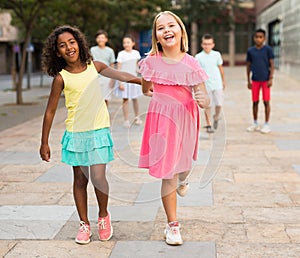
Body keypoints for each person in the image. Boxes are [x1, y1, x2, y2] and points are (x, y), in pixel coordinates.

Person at [39, 25, 141, 245]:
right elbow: (50, 111)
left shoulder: (94, 66)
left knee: (98, 177)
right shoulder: (61, 78)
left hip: (98, 130)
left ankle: (103, 216)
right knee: (79, 179)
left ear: (79, 43)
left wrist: (142, 81)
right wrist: (44, 142)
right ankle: (84, 223)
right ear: (57, 52)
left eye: (71, 42)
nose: (68, 47)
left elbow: (121, 74)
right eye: (62, 46)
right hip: (76, 133)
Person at [138, 11, 209, 246]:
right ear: (156, 36)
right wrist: (161, 99)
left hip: (186, 120)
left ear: (180, 31)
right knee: (168, 172)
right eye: (160, 28)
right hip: (162, 122)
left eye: (171, 25)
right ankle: (172, 226)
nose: (166, 30)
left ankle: (183, 179)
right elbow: (146, 89)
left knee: (184, 167)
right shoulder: (150, 62)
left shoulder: (192, 63)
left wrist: (201, 99)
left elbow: (205, 98)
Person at [195, 33, 226, 133]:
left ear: (213, 45)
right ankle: (209, 124)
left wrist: (223, 80)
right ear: (202, 44)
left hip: (217, 84)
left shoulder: (216, 55)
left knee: (219, 104)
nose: (207, 46)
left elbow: (220, 68)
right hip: (205, 85)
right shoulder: (198, 57)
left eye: (209, 44)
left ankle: (216, 117)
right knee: (208, 106)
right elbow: (197, 72)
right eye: (205, 44)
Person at [246, 28, 274, 134]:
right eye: (257, 37)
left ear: (264, 38)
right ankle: (255, 122)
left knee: (266, 101)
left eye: (261, 37)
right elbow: (248, 66)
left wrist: (271, 78)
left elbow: (272, 65)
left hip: (265, 80)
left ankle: (266, 124)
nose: (258, 39)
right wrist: (248, 80)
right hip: (255, 80)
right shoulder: (250, 51)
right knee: (255, 102)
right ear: (254, 38)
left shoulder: (268, 50)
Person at [114, 35, 143, 128]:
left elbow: (136, 66)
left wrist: (140, 73)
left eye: (128, 42)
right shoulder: (121, 54)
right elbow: (119, 69)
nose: (126, 44)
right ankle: (126, 120)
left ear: (133, 43)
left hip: (134, 79)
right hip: (124, 80)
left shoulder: (136, 53)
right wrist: (120, 82)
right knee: (125, 99)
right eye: (124, 43)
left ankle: (137, 117)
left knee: (135, 99)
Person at [90, 30, 116, 107]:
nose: (100, 39)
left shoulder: (110, 51)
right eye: (98, 37)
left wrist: (112, 79)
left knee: (105, 99)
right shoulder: (92, 50)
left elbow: (112, 65)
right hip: (95, 77)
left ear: (106, 39)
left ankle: (104, 117)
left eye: (102, 38)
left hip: (106, 78)